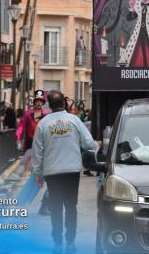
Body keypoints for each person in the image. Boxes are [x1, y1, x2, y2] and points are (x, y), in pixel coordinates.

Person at [32, 90, 98, 254]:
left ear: (49, 104)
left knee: (56, 208)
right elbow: (89, 143)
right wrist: (98, 147)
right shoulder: (74, 120)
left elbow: (37, 151)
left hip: (52, 172)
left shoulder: (43, 124)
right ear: (63, 103)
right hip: (71, 171)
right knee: (71, 207)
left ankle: (57, 242)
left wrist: (37, 173)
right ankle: (70, 242)